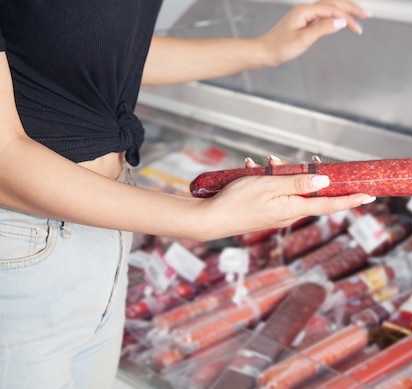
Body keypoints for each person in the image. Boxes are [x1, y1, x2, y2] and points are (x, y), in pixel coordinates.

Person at [0, 1, 371, 388]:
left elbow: (96, 52)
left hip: (103, 221)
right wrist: (198, 219)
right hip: (19, 245)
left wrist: (265, 50)